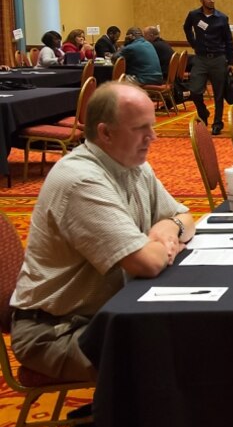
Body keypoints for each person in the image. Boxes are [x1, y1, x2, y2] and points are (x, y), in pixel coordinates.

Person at [9, 82, 194, 381]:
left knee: (194, 338)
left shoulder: (132, 164)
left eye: (153, 126)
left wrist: (166, 229)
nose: (154, 137)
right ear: (105, 133)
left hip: (105, 312)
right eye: (141, 128)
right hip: (57, 330)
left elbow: (185, 216)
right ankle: (125, 425)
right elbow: (147, 263)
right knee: (182, 353)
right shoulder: (81, 180)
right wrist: (162, 244)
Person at [182, 0, 233, 135]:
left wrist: (231, 61)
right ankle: (203, 112)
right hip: (200, 58)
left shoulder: (222, 18)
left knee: (219, 94)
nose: (211, 1)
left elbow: (229, 40)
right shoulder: (194, 15)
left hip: (218, 58)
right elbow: (186, 28)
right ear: (201, 0)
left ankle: (217, 123)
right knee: (194, 90)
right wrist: (193, 43)